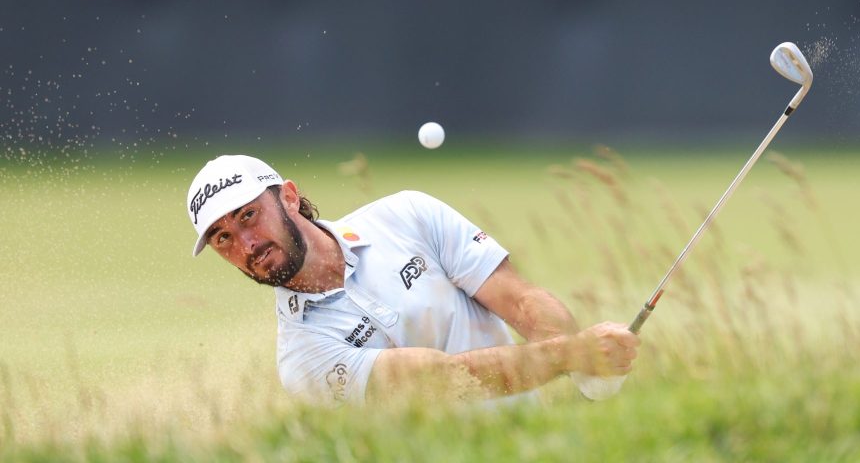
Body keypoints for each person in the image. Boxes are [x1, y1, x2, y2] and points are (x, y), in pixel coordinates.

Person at [186, 154, 638, 405]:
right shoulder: (302, 357)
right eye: (223, 238)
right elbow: (447, 379)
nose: (246, 245)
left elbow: (520, 300)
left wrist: (581, 364)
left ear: (288, 196)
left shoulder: (407, 214)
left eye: (249, 216)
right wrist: (570, 355)